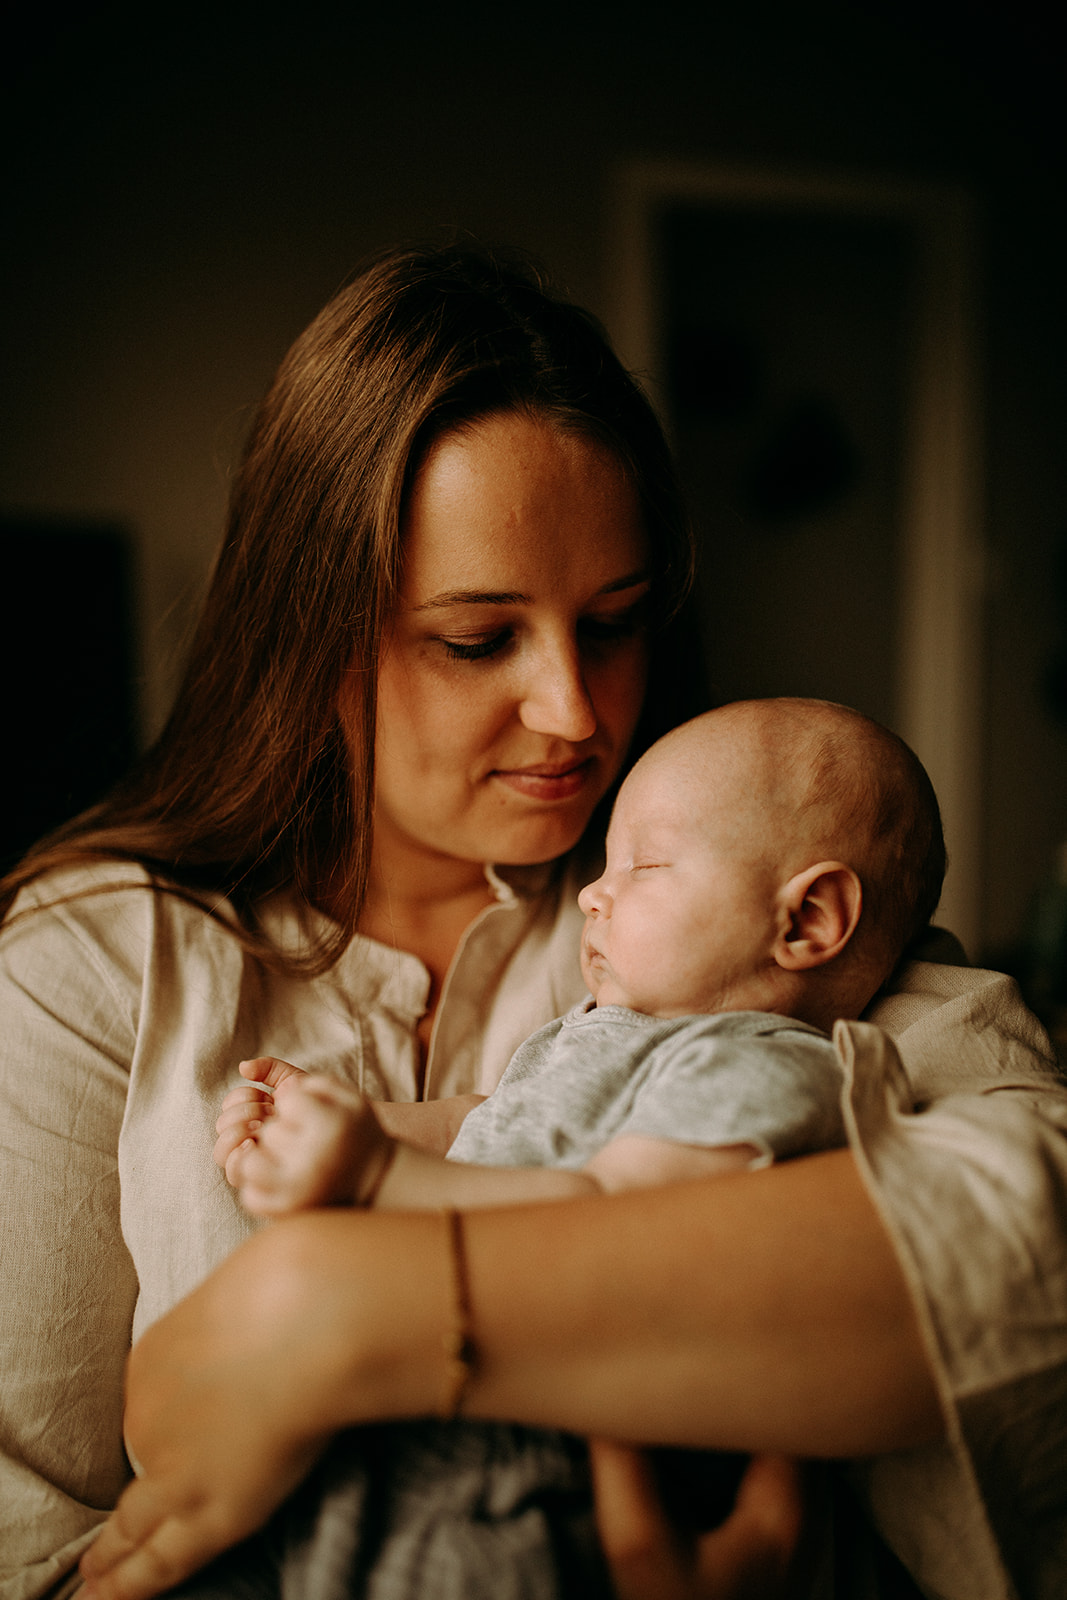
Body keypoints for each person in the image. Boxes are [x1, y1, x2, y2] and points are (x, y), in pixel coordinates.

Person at [0, 243, 1061, 1600]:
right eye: (476, 640)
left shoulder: (741, 910)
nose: (574, 713)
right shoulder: (87, 969)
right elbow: (35, 1549)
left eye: (611, 626)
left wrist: (342, 1312)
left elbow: (1029, 1246)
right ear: (313, 633)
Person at [190, 697, 945, 1600]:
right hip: (405, 1413)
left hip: (531, 1465)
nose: (594, 891)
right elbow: (498, 1122)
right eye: (605, 864)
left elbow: (606, 1228)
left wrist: (380, 1175)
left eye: (646, 865)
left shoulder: (764, 1066)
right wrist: (356, 1123)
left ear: (806, 920)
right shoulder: (594, 1031)